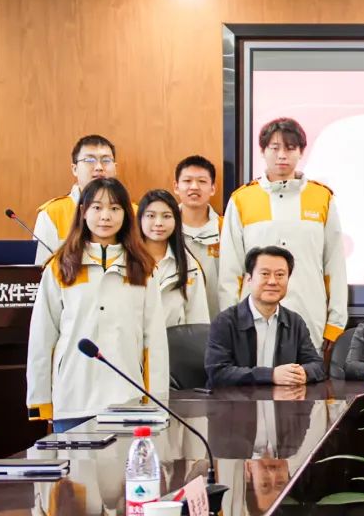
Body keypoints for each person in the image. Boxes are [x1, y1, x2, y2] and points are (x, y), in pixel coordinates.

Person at [26, 177, 168, 432]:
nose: (105, 216)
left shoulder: (143, 268)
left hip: (127, 400)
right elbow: (42, 338)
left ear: (127, 214)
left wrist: (157, 402)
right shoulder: (59, 266)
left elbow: (154, 342)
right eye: (97, 207)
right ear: (83, 211)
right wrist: (41, 400)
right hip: (73, 400)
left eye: (115, 208)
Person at [218, 118, 348, 355]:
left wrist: (336, 323)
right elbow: (230, 270)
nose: (282, 155)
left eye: (290, 148)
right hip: (253, 318)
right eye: (274, 147)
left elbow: (335, 265)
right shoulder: (242, 199)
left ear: (301, 152)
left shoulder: (321, 198)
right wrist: (231, 321)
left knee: (307, 376)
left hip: (309, 313)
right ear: (262, 151)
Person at [204, 246, 327, 388]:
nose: (273, 281)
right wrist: (271, 375)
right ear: (249, 279)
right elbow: (218, 372)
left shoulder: (295, 322)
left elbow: (317, 365)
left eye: (280, 275)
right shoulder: (225, 321)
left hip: (282, 400)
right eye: (265, 274)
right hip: (236, 400)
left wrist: (304, 373)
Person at [33, 134, 119, 264]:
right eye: (89, 160)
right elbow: (41, 269)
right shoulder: (52, 213)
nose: (99, 167)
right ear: (75, 169)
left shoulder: (133, 212)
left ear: (115, 168)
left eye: (106, 160)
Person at [138, 189, 210, 327]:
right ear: (140, 219)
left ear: (176, 220)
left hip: (174, 339)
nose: (158, 223)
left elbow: (198, 320)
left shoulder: (189, 266)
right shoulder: (125, 261)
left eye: (166, 216)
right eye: (151, 216)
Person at [174, 155, 224, 319]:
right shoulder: (164, 229)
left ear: (213, 188)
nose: (194, 187)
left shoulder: (224, 228)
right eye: (187, 181)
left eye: (202, 181)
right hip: (174, 325)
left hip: (218, 321)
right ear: (176, 186)